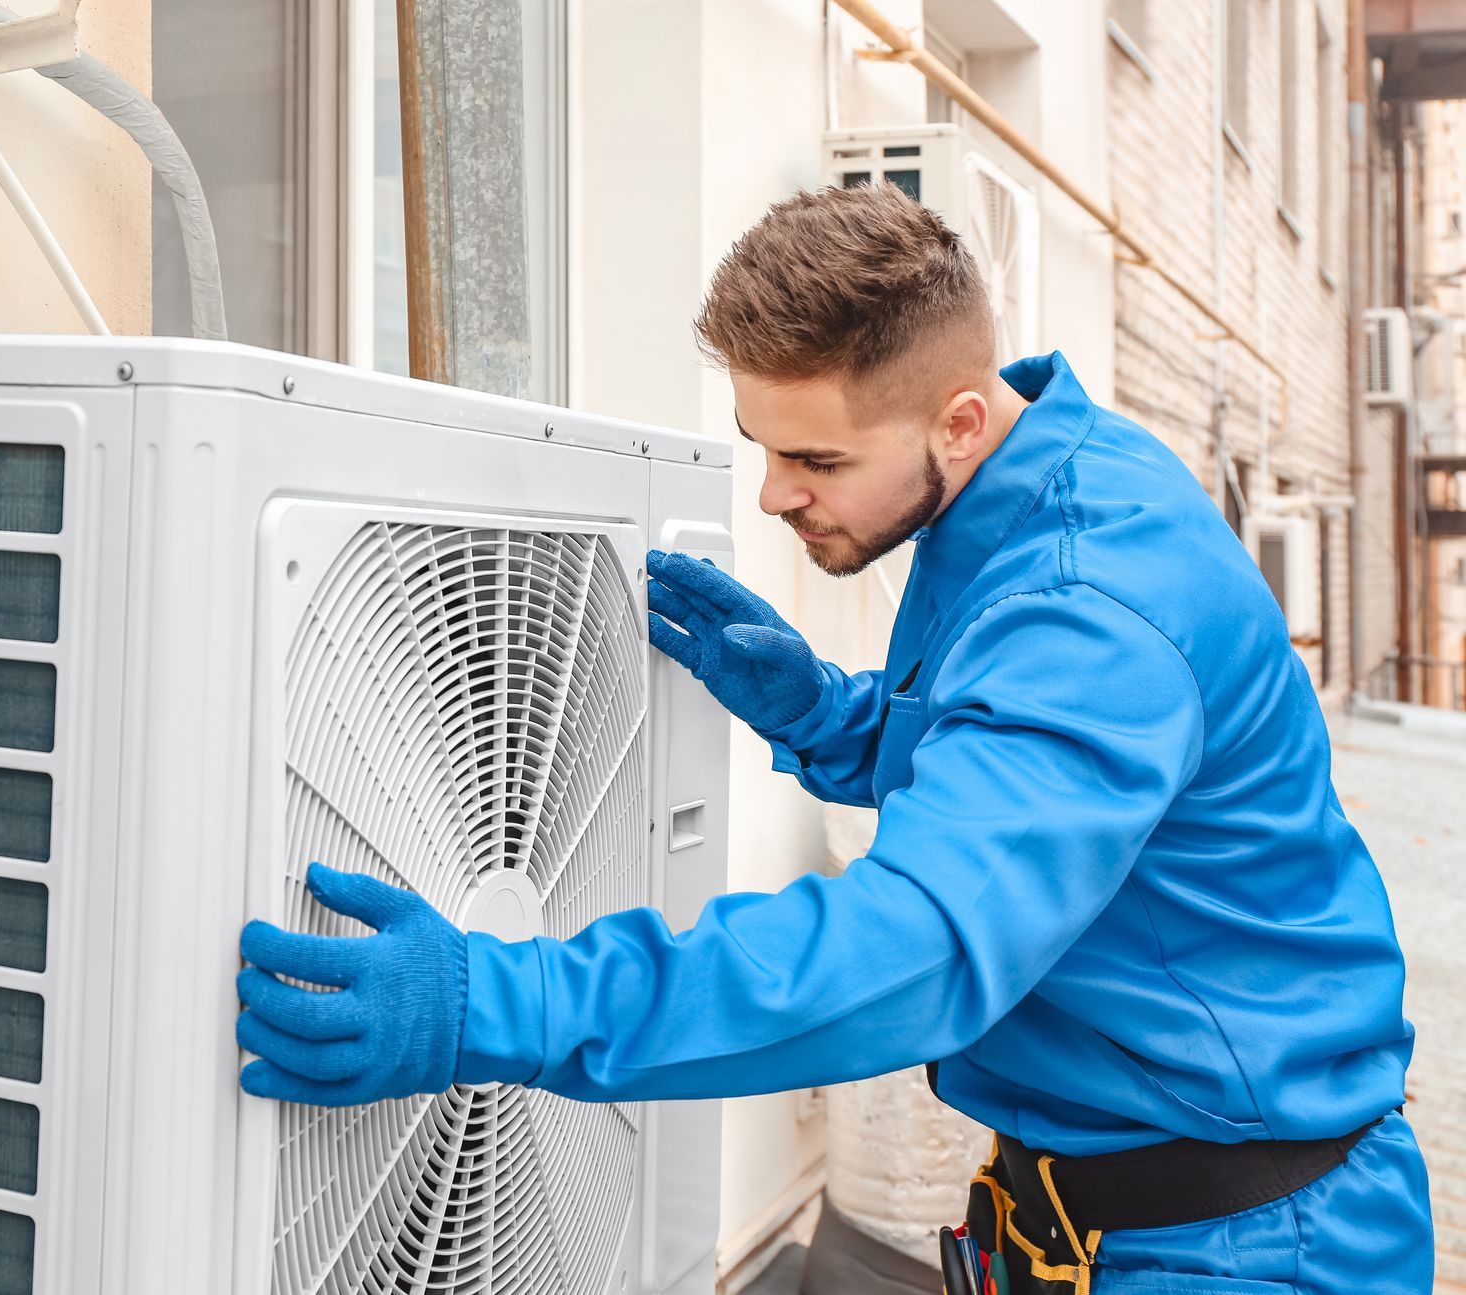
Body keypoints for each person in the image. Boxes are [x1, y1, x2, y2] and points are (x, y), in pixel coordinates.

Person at [233, 182, 1432, 1292]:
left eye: (816, 459)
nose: (773, 494)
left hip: (1246, 1247)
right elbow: (1019, 772)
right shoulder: (1030, 479)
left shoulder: (1089, 602)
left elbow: (915, 949)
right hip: (1108, 1209)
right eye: (765, 446)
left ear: (959, 421)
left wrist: (502, 1001)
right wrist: (824, 709)